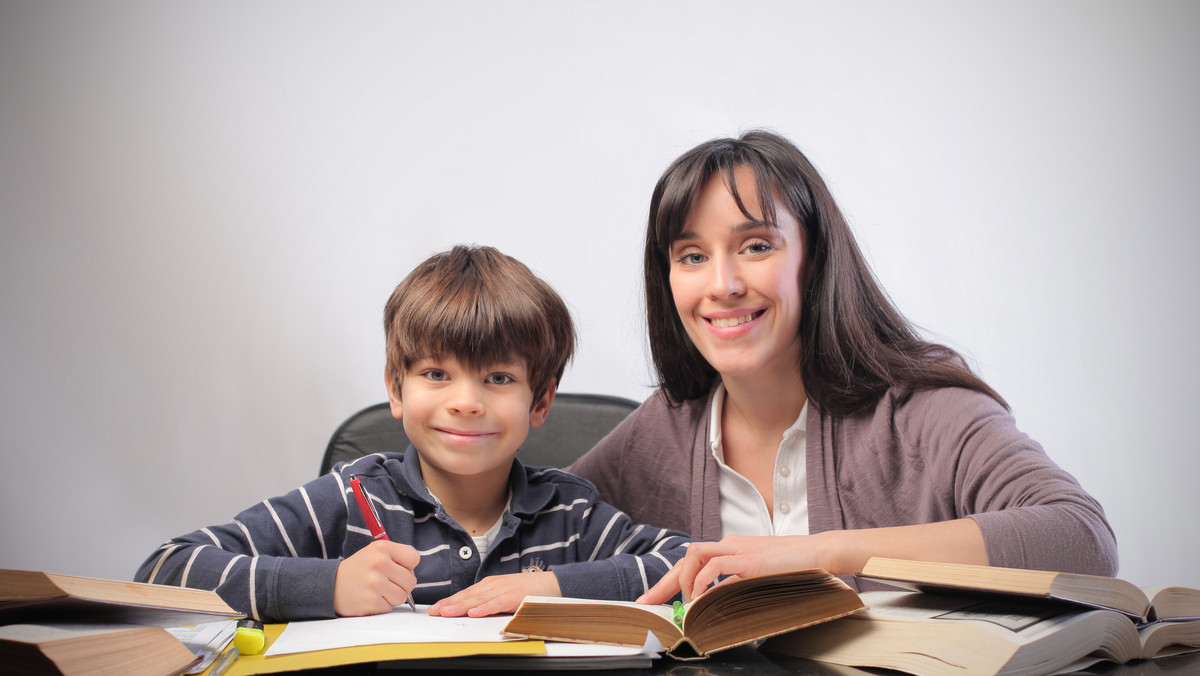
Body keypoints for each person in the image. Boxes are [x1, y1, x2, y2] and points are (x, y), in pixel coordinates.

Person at [567, 130, 1118, 604]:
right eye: (692, 256)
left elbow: (1083, 538)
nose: (723, 285)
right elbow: (520, 527)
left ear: (815, 259)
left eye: (756, 246)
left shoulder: (919, 407)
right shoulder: (663, 429)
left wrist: (823, 554)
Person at [136, 245, 694, 621]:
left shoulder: (568, 512)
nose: (466, 402)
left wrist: (548, 589)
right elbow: (165, 570)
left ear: (540, 400)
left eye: (498, 378)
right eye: (436, 374)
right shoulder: (351, 498)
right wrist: (329, 586)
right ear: (397, 391)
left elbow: (688, 564)